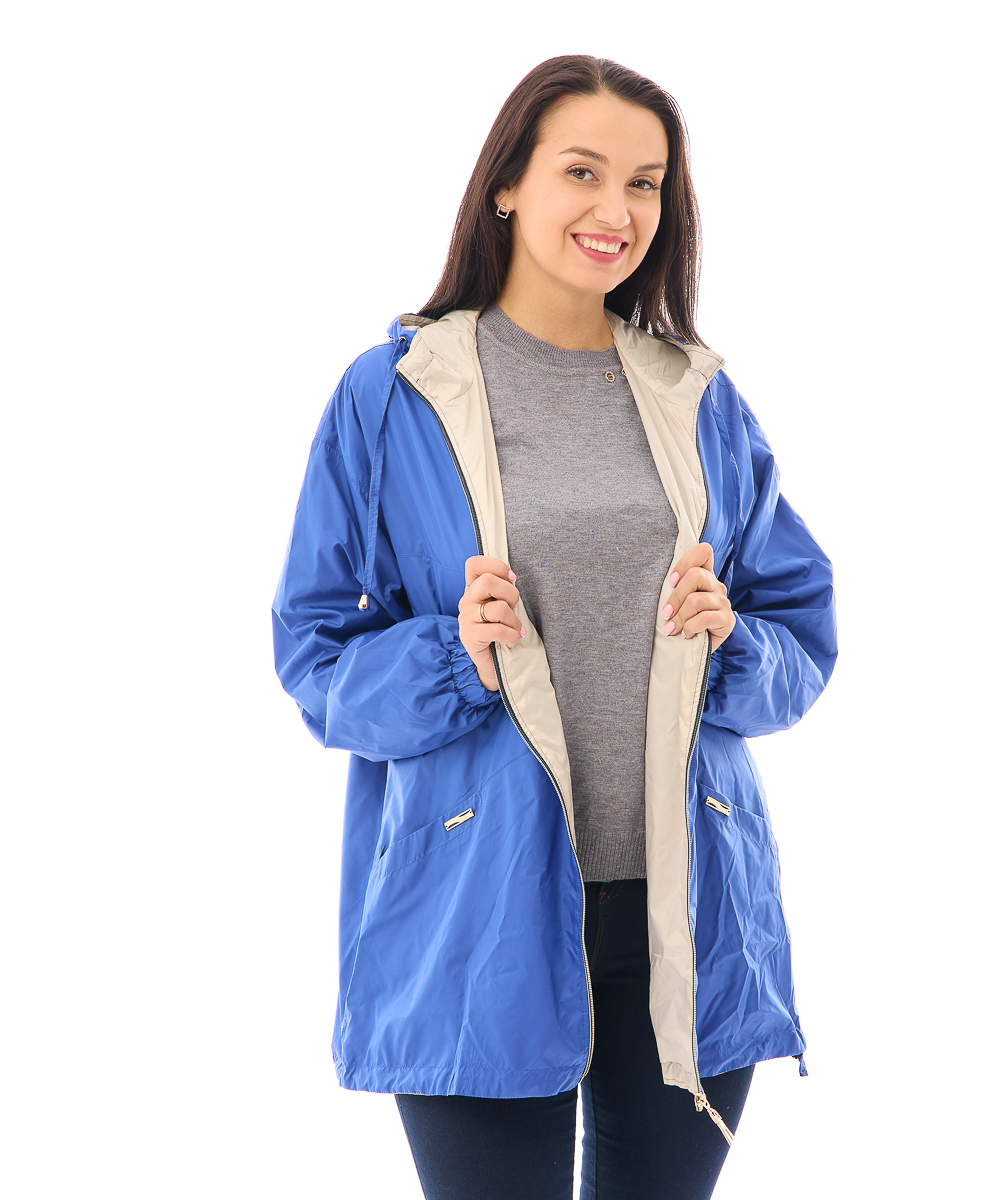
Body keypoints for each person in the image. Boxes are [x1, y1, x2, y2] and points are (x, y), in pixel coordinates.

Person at [272, 53, 838, 1200]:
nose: (615, 209)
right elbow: (314, 654)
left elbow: (800, 629)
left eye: (645, 183)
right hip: (473, 910)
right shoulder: (393, 394)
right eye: (582, 171)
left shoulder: (697, 395)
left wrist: (737, 645)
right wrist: (451, 658)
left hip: (690, 914)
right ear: (507, 185)